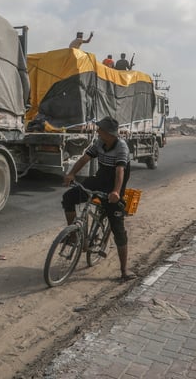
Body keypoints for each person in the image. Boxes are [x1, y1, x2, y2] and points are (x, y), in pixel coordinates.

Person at [61, 116, 133, 281]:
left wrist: (116, 192)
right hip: (98, 182)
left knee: (119, 231)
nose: (97, 131)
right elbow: (85, 158)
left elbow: (119, 171)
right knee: (68, 198)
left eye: (100, 129)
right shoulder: (100, 143)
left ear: (108, 133)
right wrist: (72, 173)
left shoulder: (121, 147)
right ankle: (75, 236)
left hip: (113, 189)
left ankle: (124, 271)